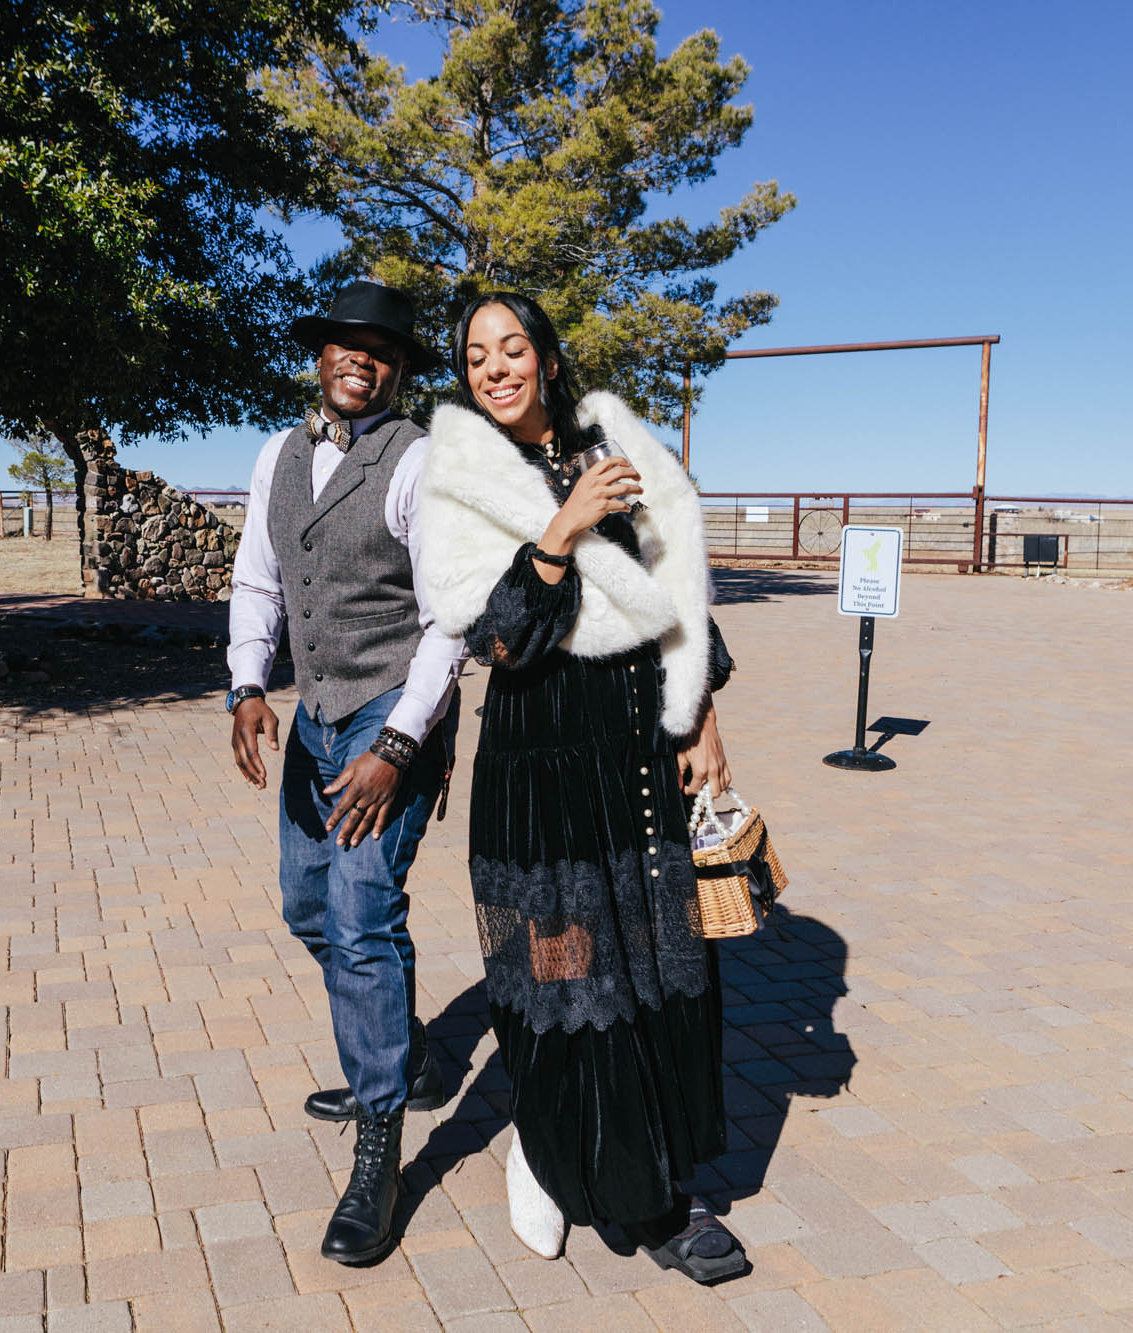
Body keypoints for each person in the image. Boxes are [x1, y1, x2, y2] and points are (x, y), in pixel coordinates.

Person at [415, 291, 747, 1283]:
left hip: (636, 748)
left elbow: (675, 586)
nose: (495, 367)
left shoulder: (613, 448)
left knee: (655, 968)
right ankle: (591, 1166)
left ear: (548, 360)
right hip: (542, 765)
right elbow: (497, 638)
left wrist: (702, 714)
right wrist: (559, 530)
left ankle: (650, 1172)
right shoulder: (459, 484)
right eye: (477, 356)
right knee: (569, 974)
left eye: (512, 347)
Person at [224, 280, 466, 1265]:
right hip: (317, 713)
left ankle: (379, 1142)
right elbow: (259, 577)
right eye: (344, 344)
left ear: (397, 369)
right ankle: (400, 1052)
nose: (360, 358)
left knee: (363, 915)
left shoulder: (420, 462)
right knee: (307, 905)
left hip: (395, 710)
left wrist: (398, 746)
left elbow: (448, 621)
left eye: (381, 349)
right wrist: (247, 684)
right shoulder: (276, 456)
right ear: (320, 356)